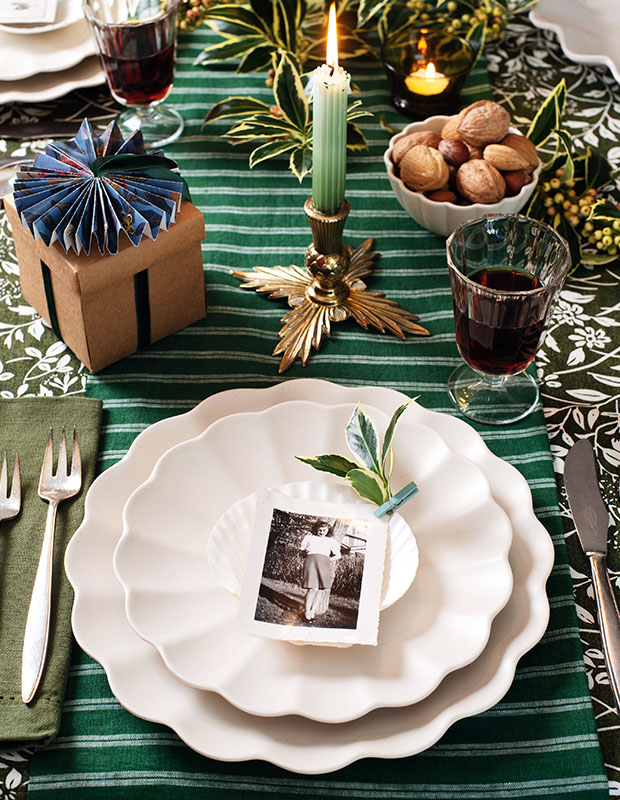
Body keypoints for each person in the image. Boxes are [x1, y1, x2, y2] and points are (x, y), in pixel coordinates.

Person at [300, 520, 341, 622]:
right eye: (320, 530)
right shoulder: (309, 538)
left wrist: (328, 560)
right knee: (313, 588)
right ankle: (307, 611)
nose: (322, 532)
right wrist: (305, 552)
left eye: (324, 530)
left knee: (321, 589)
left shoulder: (331, 541)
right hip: (311, 562)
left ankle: (313, 611)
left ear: (327, 531)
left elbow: (338, 555)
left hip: (324, 564)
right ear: (316, 529)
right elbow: (301, 550)